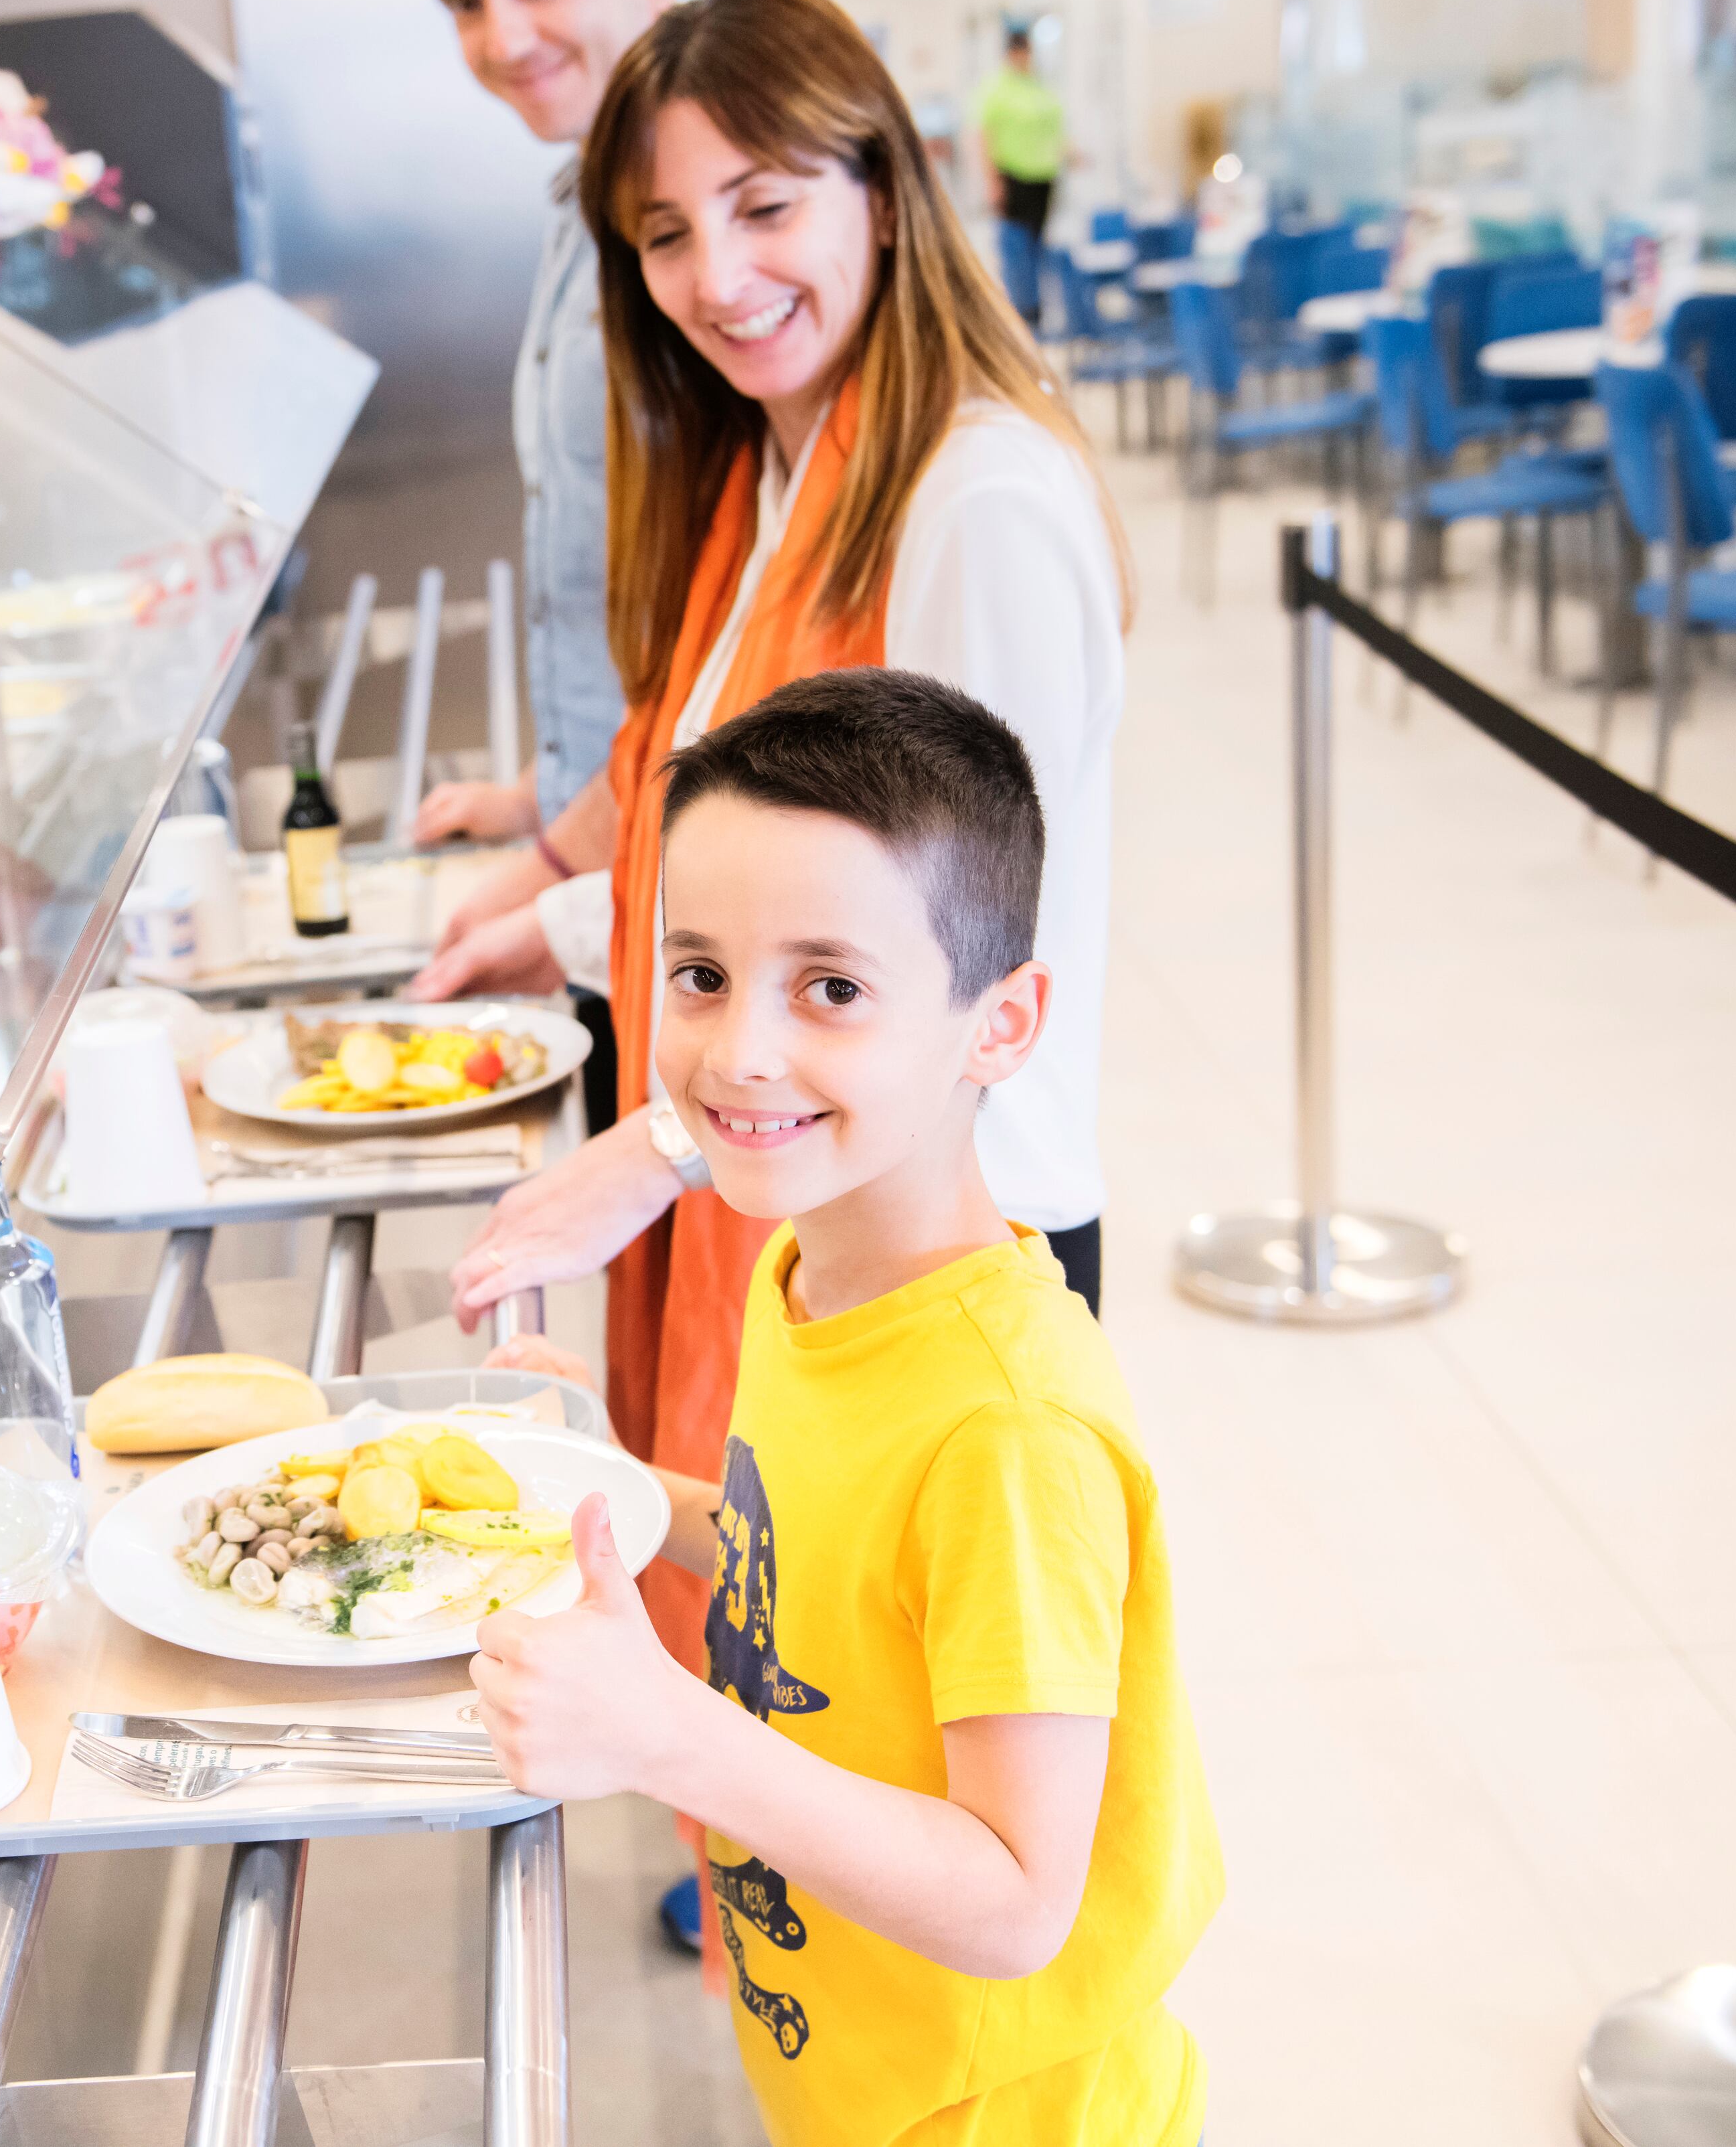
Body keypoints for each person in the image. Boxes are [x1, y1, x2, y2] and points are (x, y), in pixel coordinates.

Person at [425, 0, 1129, 1947]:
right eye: (660, 233)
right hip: (823, 1200)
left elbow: (927, 932)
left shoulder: (968, 491)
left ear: (880, 191)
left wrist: (650, 1142)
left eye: (761, 204)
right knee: (803, 1644)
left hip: (946, 1227)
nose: (713, 277)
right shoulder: (770, 456)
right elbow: (741, 813)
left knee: (950, 1785)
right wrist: (559, 925)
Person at [471, 670, 1220, 2145]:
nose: (740, 1050)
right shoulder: (810, 1267)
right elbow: (805, 1553)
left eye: (830, 987)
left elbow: (1014, 1898)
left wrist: (665, 1734)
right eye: (698, 972)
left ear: (999, 1026)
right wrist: (620, 1484)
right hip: (858, 2081)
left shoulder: (1006, 1437)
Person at [404, 0, 672, 1133]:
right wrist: (545, 787)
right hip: (618, 828)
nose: (502, 37)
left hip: (677, 867)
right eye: (462, 2)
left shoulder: (690, 226)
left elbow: (728, 623)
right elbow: (620, 550)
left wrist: (564, 860)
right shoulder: (582, 195)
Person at [975, 27, 1065, 327]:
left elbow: (1055, 128)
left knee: (1039, 246)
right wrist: (992, 181)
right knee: (1016, 247)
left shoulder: (1038, 87)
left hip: (1044, 176)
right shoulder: (999, 89)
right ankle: (1021, 313)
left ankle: (1037, 309)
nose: (1023, 58)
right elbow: (985, 135)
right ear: (1009, 54)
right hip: (1014, 175)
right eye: (1018, 52)